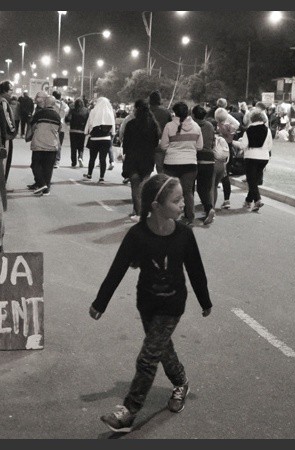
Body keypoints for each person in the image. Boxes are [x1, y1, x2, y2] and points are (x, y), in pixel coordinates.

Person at [90, 173, 212, 433]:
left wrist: (205, 300)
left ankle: (129, 411)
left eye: (182, 200)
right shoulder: (138, 235)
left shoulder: (184, 234)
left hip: (172, 304)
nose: (183, 205)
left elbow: (196, 269)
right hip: (146, 303)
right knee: (161, 349)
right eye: (177, 201)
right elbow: (117, 269)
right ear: (156, 207)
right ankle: (181, 382)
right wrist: (100, 302)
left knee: (148, 358)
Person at [160, 102, 202, 226]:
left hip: (171, 163)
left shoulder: (169, 126)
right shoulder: (196, 127)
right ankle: (190, 218)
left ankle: (170, 216)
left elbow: (163, 146)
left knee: (170, 191)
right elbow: (199, 147)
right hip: (190, 164)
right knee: (187, 192)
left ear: (175, 113)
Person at [121, 99, 160, 221]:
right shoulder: (153, 125)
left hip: (133, 159)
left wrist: (126, 154)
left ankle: (138, 213)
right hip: (147, 159)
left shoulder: (131, 124)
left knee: (135, 186)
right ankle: (145, 211)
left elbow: (125, 143)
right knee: (144, 185)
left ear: (136, 109)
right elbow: (155, 143)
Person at [25, 91, 61, 196]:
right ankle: (46, 189)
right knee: (48, 168)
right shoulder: (57, 116)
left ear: (46, 103)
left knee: (35, 165)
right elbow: (59, 129)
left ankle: (41, 183)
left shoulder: (39, 113)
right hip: (52, 145)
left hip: (39, 144)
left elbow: (33, 126)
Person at [236, 109, 272, 212]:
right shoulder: (267, 130)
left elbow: (243, 145)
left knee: (251, 180)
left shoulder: (249, 130)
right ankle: (248, 200)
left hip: (251, 156)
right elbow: (270, 146)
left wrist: (237, 142)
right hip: (264, 157)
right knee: (254, 180)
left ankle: (257, 200)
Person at [191, 105, 217, 225]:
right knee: (204, 189)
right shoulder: (210, 125)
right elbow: (213, 141)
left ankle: (189, 213)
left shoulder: (192, 125)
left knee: (189, 187)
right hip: (209, 159)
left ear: (193, 115)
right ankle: (209, 208)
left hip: (195, 158)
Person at [83, 97, 115, 183]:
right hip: (106, 139)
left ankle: (89, 175)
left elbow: (89, 123)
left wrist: (86, 132)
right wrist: (112, 133)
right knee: (103, 159)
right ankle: (101, 178)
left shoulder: (93, 111)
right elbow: (113, 125)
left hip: (95, 138)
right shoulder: (110, 112)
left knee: (92, 158)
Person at [213, 107, 240, 209]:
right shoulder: (231, 127)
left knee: (216, 175)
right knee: (225, 175)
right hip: (228, 149)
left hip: (218, 149)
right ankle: (227, 199)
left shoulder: (218, 127)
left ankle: (211, 198)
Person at [0, 81, 18, 181]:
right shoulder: (3, 101)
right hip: (5, 135)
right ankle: (3, 182)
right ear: (4, 91)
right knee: (5, 161)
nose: (12, 92)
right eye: (10, 90)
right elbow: (6, 117)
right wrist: (12, 130)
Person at [149, 91, 172, 175]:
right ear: (159, 100)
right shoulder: (166, 112)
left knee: (146, 170)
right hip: (161, 142)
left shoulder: (146, 112)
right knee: (161, 168)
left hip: (147, 143)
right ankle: (162, 185)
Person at [66, 98, 89, 168]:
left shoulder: (72, 110)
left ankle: (73, 162)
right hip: (82, 131)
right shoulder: (86, 111)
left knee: (73, 147)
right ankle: (80, 157)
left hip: (73, 131)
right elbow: (88, 121)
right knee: (81, 146)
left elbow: (67, 119)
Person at [51, 91, 70, 169]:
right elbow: (67, 113)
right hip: (61, 127)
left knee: (51, 143)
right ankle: (57, 161)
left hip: (52, 126)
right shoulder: (65, 105)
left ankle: (51, 160)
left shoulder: (51, 104)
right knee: (59, 145)